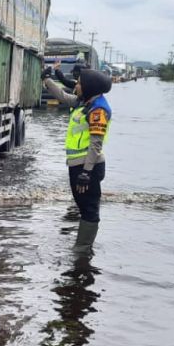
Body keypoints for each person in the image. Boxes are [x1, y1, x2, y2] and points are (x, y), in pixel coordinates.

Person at [41, 63, 113, 252]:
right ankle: (82, 248)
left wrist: (86, 173)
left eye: (80, 83)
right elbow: (63, 97)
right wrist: (47, 79)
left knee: (89, 209)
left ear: (89, 87)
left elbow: (95, 145)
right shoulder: (84, 102)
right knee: (83, 206)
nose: (76, 86)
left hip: (87, 167)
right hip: (78, 165)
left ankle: (82, 250)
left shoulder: (97, 110)